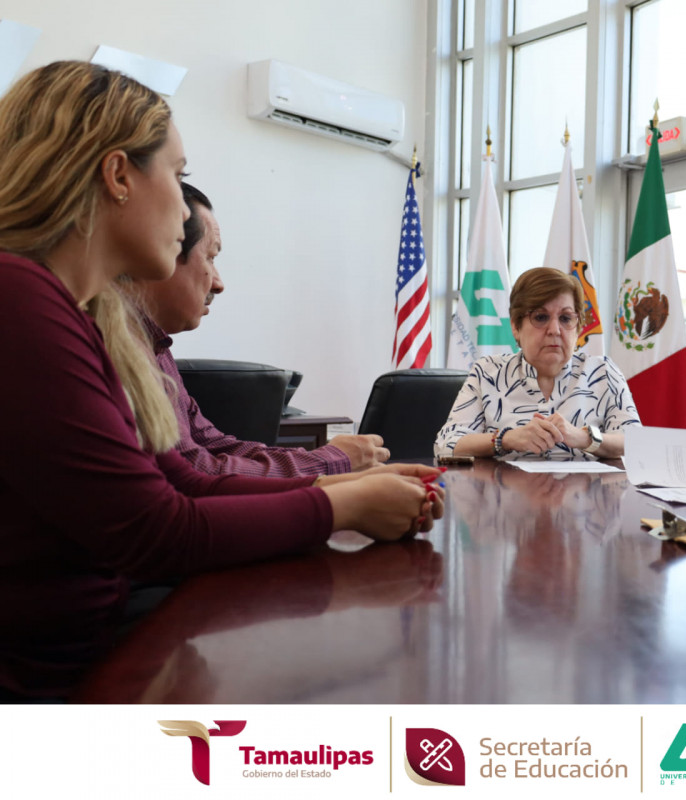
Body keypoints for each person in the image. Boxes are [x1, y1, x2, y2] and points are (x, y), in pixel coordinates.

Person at [0, 61, 443, 694]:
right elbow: (158, 533)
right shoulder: (19, 297)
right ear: (118, 176)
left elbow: (183, 483)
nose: (183, 208)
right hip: (55, 681)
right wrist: (340, 504)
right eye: (178, 176)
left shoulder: (77, 310)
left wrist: (351, 484)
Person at [130, 183, 388, 476]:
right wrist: (328, 462)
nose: (218, 283)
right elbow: (197, 471)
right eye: (211, 258)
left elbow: (215, 445)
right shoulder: (120, 348)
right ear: (162, 253)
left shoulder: (157, 349)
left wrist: (324, 459)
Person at [435, 267, 639, 460]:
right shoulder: (488, 372)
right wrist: (506, 439)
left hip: (586, 487)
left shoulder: (603, 373)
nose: (555, 330)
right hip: (506, 486)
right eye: (540, 317)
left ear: (578, 328)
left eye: (565, 318)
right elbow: (446, 445)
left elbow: (637, 444)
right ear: (515, 327)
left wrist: (585, 438)